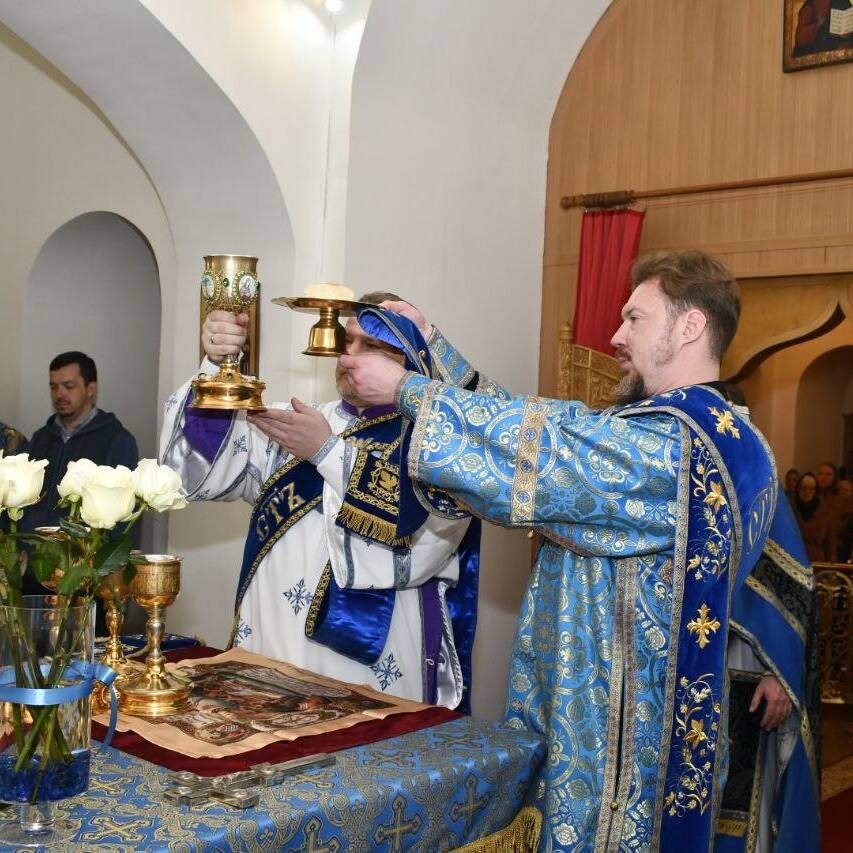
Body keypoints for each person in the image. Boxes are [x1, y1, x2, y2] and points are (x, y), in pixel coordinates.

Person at [339, 250, 820, 851]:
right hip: (587, 711)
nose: (616, 335)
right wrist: (431, 341)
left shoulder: (681, 445)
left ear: (690, 326)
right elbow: (543, 431)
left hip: (620, 748)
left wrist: (407, 389)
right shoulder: (676, 428)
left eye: (635, 318)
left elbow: (546, 456)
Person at [160, 293, 479, 710]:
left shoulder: (436, 444)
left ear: (409, 362)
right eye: (347, 342)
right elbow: (198, 469)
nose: (348, 357)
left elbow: (424, 542)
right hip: (272, 640)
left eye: (371, 346)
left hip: (369, 660)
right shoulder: (298, 418)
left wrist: (326, 452)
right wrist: (217, 366)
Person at [22, 351, 139, 534]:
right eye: (54, 387)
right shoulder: (40, 438)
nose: (60, 394)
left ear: (90, 389)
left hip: (87, 550)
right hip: (35, 548)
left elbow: (126, 515)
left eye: (69, 386)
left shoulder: (118, 440)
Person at [793, 471, 838, 563]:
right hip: (795, 559)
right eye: (804, 488)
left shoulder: (826, 513)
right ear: (798, 489)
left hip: (817, 561)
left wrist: (831, 565)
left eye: (811, 489)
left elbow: (830, 544)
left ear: (816, 491)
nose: (807, 492)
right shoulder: (790, 509)